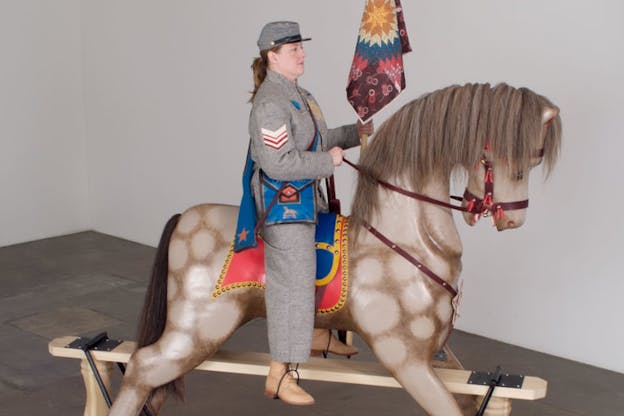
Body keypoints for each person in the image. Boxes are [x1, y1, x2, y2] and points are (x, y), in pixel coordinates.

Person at [246, 21, 374, 405]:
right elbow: (278, 163)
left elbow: (320, 139)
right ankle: (279, 374)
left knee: (329, 259)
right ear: (273, 56)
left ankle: (319, 334)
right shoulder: (271, 102)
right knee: (296, 280)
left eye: (301, 47)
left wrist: (357, 131)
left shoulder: (300, 94)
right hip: (282, 205)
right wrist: (326, 162)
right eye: (294, 50)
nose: (302, 54)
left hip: (306, 200)